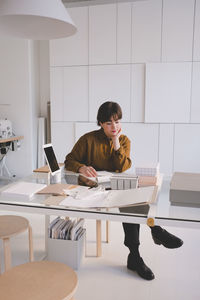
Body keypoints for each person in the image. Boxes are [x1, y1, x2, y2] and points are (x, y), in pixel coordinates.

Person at [64, 101, 183, 280]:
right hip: (92, 189)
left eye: (117, 122)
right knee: (129, 200)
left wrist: (115, 140)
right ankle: (152, 235)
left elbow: (122, 166)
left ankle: (139, 250)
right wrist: (81, 167)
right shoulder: (87, 139)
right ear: (101, 123)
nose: (114, 126)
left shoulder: (124, 140)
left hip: (115, 186)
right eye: (109, 123)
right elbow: (69, 160)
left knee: (132, 199)